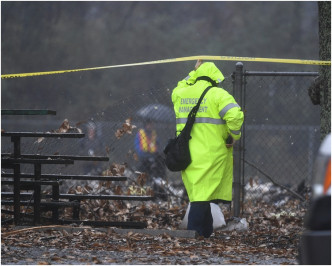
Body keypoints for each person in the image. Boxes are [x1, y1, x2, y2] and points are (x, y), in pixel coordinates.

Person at [171, 60, 244, 238]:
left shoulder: (181, 93)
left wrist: (193, 72)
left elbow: (180, 84)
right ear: (214, 78)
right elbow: (235, 115)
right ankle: (195, 235)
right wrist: (233, 135)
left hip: (187, 154)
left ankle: (205, 233)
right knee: (201, 197)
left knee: (200, 195)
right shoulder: (219, 94)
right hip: (211, 154)